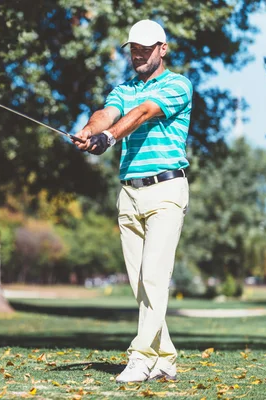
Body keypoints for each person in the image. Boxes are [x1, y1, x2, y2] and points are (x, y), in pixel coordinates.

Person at [74, 19, 193, 383]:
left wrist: (108, 137)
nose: (138, 54)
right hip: (129, 193)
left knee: (155, 277)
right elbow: (106, 113)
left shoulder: (178, 85)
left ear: (163, 48)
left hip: (165, 191)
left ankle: (140, 357)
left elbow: (141, 114)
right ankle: (166, 357)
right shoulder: (122, 88)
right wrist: (89, 130)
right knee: (141, 284)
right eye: (133, 48)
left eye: (145, 47)